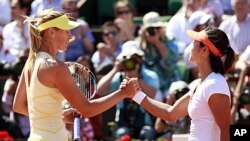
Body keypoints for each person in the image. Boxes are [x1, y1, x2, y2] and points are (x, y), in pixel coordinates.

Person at [12, 9, 140, 141]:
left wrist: (57, 115)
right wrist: (123, 93)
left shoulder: (30, 64)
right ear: (51, 32)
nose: (70, 36)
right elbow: (87, 110)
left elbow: (19, 106)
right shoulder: (55, 67)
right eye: (66, 31)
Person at [130, 27, 235, 141]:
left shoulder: (215, 84)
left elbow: (226, 130)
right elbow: (170, 113)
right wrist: (136, 94)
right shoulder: (201, 84)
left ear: (204, 50)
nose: (190, 46)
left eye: (194, 42)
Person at [97, 40, 161, 140]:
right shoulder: (118, 77)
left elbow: (152, 95)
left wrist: (137, 78)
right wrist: (115, 69)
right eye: (127, 60)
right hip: (122, 123)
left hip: (145, 122)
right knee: (123, 135)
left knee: (147, 134)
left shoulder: (150, 76)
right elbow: (99, 91)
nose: (130, 63)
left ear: (140, 60)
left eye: (134, 59)